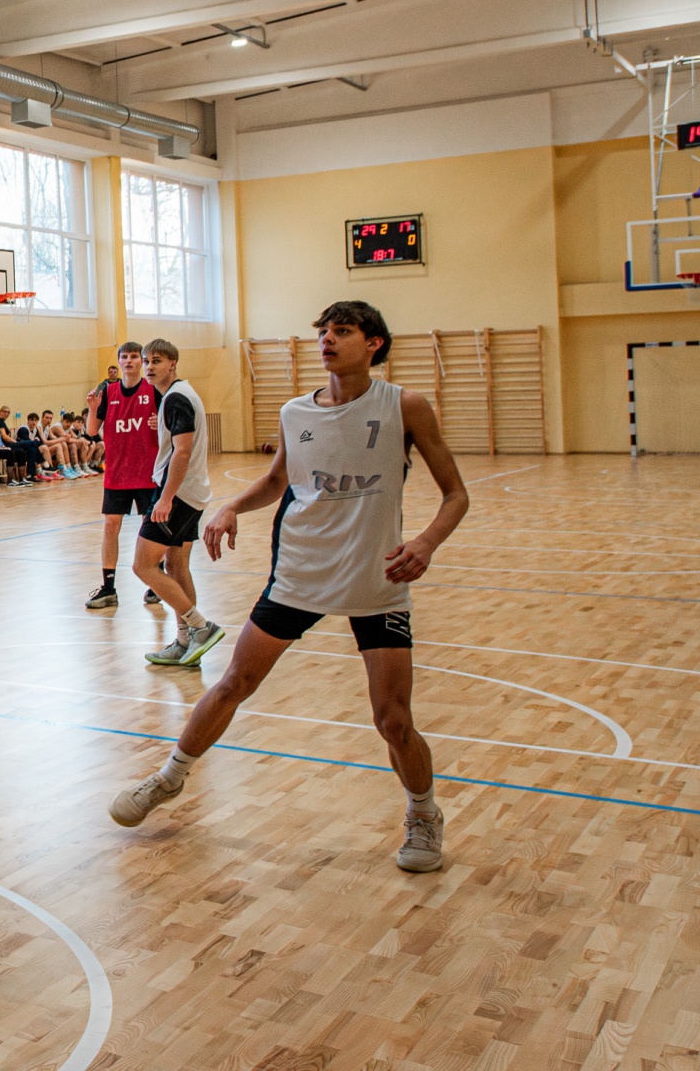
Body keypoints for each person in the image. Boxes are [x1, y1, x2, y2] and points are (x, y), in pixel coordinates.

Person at [110, 301, 470, 873]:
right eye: (323, 331)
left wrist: (425, 542)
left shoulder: (405, 406)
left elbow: (456, 495)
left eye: (342, 331)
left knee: (393, 720)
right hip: (299, 574)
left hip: (375, 579)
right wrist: (232, 506)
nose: (327, 340)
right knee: (234, 683)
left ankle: (423, 814)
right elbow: (278, 480)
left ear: (374, 343)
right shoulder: (295, 411)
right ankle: (169, 776)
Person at [130, 339, 223, 666]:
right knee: (176, 565)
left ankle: (200, 627)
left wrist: (166, 498)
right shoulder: (179, 395)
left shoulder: (176, 398)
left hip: (178, 495)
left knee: (143, 565)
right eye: (146, 361)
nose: (149, 366)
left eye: (156, 360)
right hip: (192, 493)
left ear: (173, 364)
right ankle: (185, 643)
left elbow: (182, 453)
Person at [85, 341, 160, 610]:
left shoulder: (154, 390)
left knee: (149, 527)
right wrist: (93, 408)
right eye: (124, 357)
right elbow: (91, 431)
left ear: (142, 361)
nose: (128, 361)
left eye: (134, 356)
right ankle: (108, 588)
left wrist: (160, 424)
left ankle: (156, 581)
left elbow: (171, 428)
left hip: (147, 473)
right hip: (117, 473)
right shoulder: (108, 392)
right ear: (118, 362)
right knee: (110, 526)